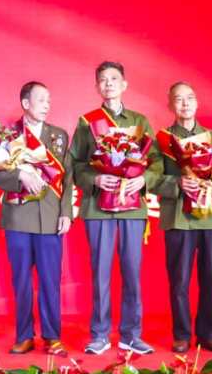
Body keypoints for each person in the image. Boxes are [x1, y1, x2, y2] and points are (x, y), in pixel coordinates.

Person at [70, 61, 164, 355]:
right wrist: (95, 178)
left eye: (114, 78)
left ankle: (131, 335)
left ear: (124, 84)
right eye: (103, 79)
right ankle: (100, 334)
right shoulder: (87, 122)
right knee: (100, 271)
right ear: (96, 87)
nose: (108, 83)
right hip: (98, 206)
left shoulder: (139, 120)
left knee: (132, 270)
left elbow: (156, 162)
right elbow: (75, 165)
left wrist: (144, 180)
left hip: (133, 206)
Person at [0, 82, 73, 356]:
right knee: (21, 280)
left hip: (50, 216)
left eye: (49, 100)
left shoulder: (58, 136)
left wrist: (66, 212)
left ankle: (52, 336)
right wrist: (19, 175)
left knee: (50, 280)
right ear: (25, 103)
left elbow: (67, 177)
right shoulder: (7, 134)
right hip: (18, 217)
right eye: (41, 99)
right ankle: (24, 336)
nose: (46, 105)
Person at [151, 82, 212, 354]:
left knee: (211, 278)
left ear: (197, 102)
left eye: (189, 98)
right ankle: (182, 334)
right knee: (179, 280)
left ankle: (208, 334)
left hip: (211, 218)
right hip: (178, 217)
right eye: (178, 99)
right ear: (169, 105)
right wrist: (177, 183)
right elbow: (151, 178)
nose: (184, 103)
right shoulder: (162, 140)